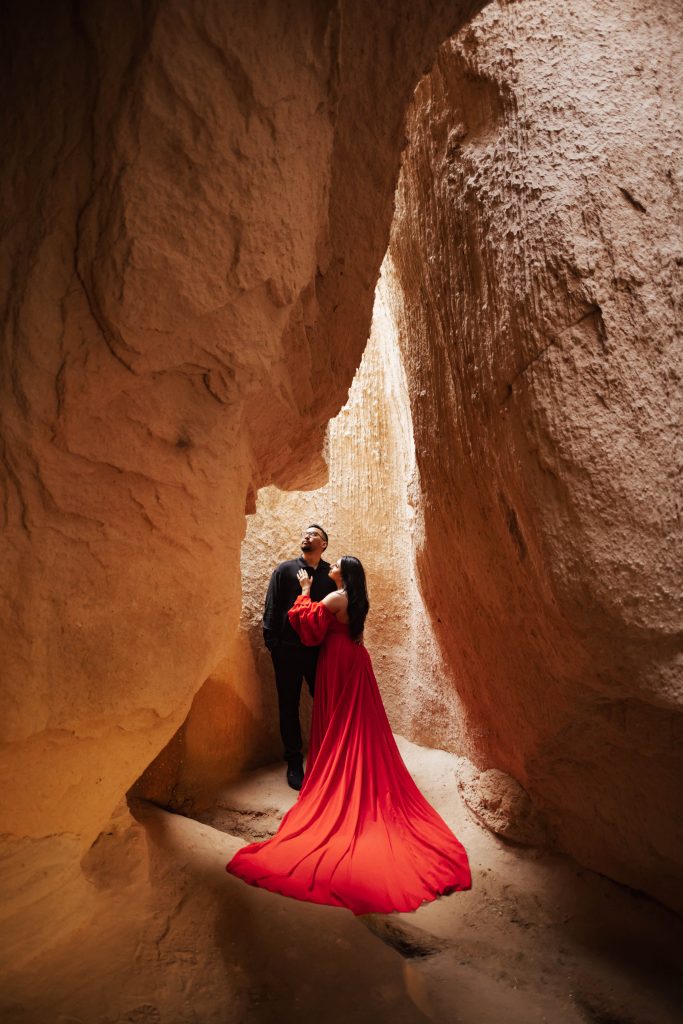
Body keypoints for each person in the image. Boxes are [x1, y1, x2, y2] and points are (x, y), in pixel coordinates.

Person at [227, 556, 471, 915]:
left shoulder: (336, 597)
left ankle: (336, 770)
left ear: (345, 573)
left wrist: (306, 592)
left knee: (339, 721)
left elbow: (306, 625)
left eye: (338, 562)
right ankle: (348, 761)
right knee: (354, 721)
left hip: (337, 660)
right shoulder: (355, 599)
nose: (333, 564)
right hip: (355, 659)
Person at [263, 524, 337, 790]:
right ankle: (294, 762)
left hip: (320, 652)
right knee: (288, 705)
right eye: (305, 533)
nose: (307, 536)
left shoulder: (331, 575)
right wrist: (273, 643)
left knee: (326, 704)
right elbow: (272, 605)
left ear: (324, 544)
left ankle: (329, 759)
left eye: (314, 534)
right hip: (288, 650)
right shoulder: (285, 570)